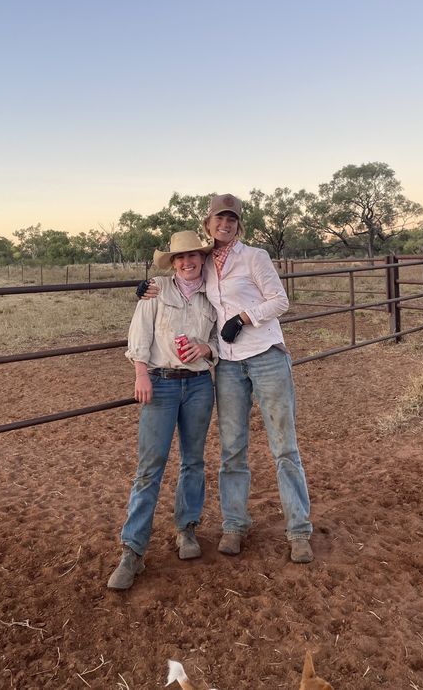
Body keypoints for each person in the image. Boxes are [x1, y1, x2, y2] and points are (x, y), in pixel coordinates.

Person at [139, 195, 313, 563]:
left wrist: (243, 318)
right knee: (232, 448)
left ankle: (298, 530)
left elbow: (279, 301)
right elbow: (175, 284)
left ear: (239, 223)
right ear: (209, 223)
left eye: (232, 218)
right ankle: (235, 524)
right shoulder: (203, 265)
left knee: (284, 445)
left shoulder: (255, 257)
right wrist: (144, 288)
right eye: (220, 217)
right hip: (230, 365)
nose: (226, 224)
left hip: (265, 356)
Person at [107, 231, 218, 590]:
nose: (187, 263)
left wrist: (206, 348)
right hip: (163, 382)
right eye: (180, 258)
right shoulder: (156, 290)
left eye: (193, 257)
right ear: (172, 262)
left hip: (200, 384)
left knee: (193, 460)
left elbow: (218, 339)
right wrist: (141, 372)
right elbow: (139, 333)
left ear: (202, 258)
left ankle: (186, 529)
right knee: (150, 465)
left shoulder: (212, 295)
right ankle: (133, 549)